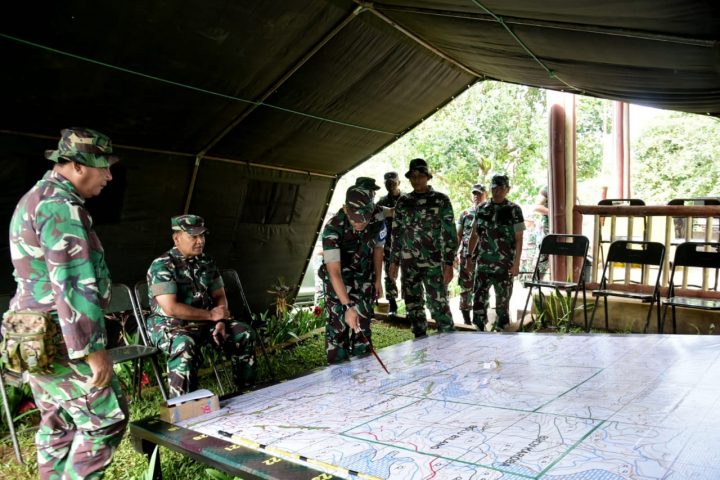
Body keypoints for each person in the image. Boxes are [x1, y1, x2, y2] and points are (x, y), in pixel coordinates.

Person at [7, 127, 128, 479]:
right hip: (60, 336)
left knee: (56, 423)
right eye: (103, 166)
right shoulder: (60, 207)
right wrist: (92, 350)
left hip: (31, 334)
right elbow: (72, 283)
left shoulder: (35, 197)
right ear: (77, 165)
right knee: (105, 421)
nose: (108, 175)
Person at [146, 215, 255, 398]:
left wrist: (220, 320)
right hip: (171, 325)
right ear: (176, 238)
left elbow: (219, 295)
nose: (200, 241)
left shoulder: (206, 261)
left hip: (206, 322)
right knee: (185, 344)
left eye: (202, 236)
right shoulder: (161, 266)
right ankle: (182, 406)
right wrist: (211, 316)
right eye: (193, 237)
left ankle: (247, 393)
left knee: (243, 333)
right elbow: (171, 308)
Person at [319, 179, 386, 363]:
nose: (359, 224)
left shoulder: (377, 216)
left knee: (362, 327)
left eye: (363, 221)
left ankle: (364, 376)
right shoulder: (332, 229)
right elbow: (334, 272)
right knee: (338, 328)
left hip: (364, 276)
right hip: (339, 282)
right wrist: (348, 306)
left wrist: (378, 279)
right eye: (354, 220)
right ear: (346, 209)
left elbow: (378, 249)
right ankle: (338, 373)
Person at [389, 158, 457, 338]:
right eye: (413, 176)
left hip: (434, 263)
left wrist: (449, 263)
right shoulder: (403, 202)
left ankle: (450, 343)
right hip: (409, 264)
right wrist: (394, 262)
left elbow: (450, 233)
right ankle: (420, 344)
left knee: (439, 305)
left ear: (427, 177)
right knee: (413, 307)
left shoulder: (440, 200)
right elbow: (396, 233)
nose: (417, 179)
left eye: (420, 176)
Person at [468, 174, 525, 331]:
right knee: (478, 301)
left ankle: (502, 333)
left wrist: (516, 263)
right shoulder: (481, 208)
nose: (497, 191)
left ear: (507, 189)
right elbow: (474, 235)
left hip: (504, 265)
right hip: (483, 264)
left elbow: (519, 239)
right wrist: (468, 257)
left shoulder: (514, 210)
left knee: (502, 304)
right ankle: (478, 331)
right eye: (494, 188)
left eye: (501, 188)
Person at [456, 183, 486, 325]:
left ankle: (480, 321)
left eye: (479, 193)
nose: (476, 196)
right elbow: (458, 235)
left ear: (486, 195)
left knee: (482, 289)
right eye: (474, 193)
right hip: (467, 256)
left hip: (484, 257)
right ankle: (467, 322)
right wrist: (453, 254)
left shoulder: (489, 212)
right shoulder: (465, 214)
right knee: (466, 288)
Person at [376, 172, 403, 316]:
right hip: (388, 244)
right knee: (389, 274)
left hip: (407, 243)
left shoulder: (407, 199)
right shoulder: (381, 202)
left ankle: (411, 305)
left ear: (399, 182)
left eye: (393, 182)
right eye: (387, 182)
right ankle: (392, 305)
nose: (390, 185)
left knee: (409, 275)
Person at [533, 185, 550, 277]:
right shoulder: (547, 188)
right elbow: (537, 207)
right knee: (544, 254)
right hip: (548, 226)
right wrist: (555, 213)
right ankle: (536, 281)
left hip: (565, 227)